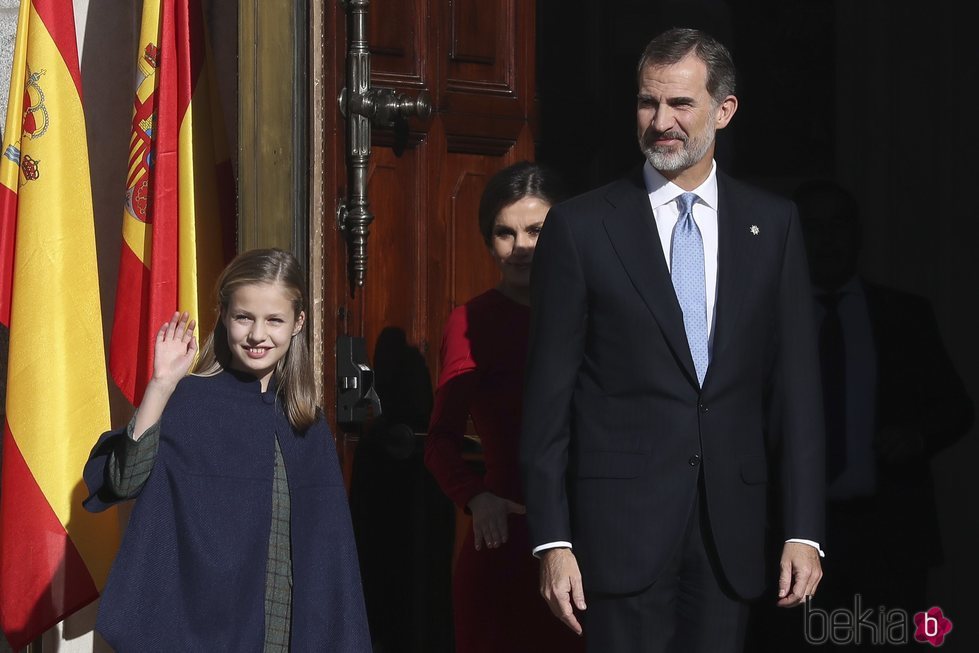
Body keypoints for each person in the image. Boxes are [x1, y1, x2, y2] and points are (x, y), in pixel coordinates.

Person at [520, 28, 825, 653]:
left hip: (730, 534)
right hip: (617, 534)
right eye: (647, 103)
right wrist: (553, 540)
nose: (662, 121)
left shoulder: (774, 225)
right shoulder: (581, 229)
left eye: (681, 104)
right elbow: (548, 398)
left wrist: (804, 529)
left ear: (724, 110)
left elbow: (797, 392)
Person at [83, 248, 371, 652]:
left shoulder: (307, 421)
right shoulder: (190, 402)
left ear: (298, 323)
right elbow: (124, 480)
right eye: (243, 318)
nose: (257, 335)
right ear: (223, 315)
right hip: (207, 628)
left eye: (274, 320)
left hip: (290, 623)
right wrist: (161, 386)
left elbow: (329, 554)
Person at [748, 179, 974, 651]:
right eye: (813, 227)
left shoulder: (903, 314)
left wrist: (914, 436)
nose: (827, 239)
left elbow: (955, 406)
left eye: (838, 226)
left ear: (858, 234)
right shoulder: (761, 320)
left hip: (886, 534)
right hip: (785, 535)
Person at [423, 161, 583, 653]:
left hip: (597, 540)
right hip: (508, 544)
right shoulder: (471, 320)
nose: (522, 247)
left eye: (537, 229)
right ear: (488, 241)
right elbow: (441, 440)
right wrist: (476, 496)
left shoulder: (599, 310)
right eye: (505, 233)